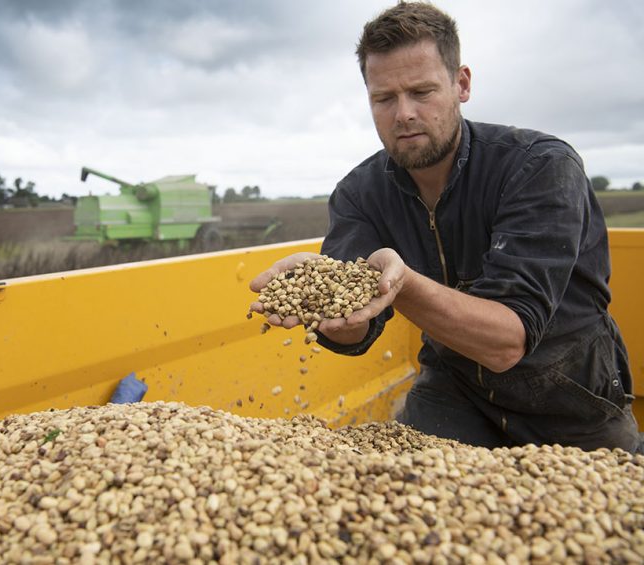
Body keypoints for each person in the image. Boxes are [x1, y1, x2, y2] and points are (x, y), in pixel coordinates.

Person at [250, 1, 641, 452]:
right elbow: (357, 327)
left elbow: (506, 342)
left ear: (461, 84)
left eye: (422, 92)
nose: (403, 114)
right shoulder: (358, 193)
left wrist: (402, 284)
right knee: (402, 502)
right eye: (384, 98)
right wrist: (329, 313)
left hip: (568, 390)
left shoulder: (539, 167)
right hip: (453, 387)